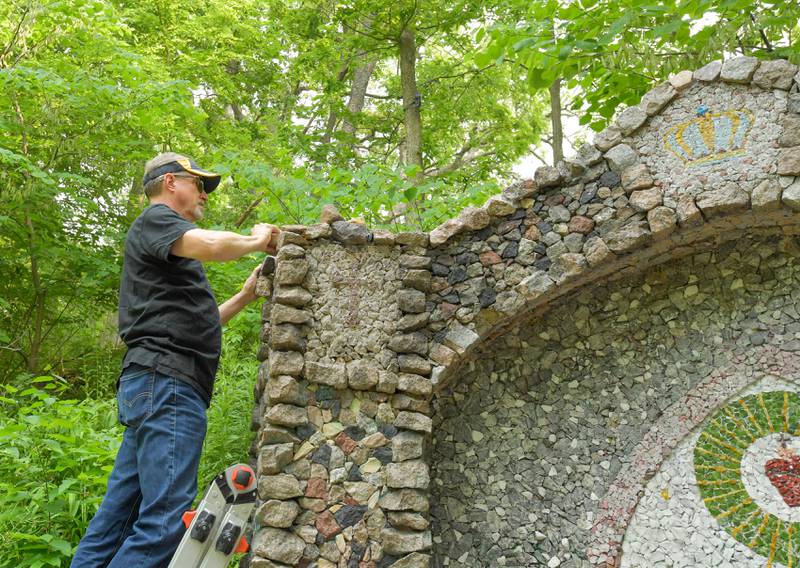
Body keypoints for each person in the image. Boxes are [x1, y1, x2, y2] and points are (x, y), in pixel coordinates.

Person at [71, 152, 279, 567]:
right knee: (165, 521)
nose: (203, 194)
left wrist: (244, 296)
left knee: (115, 521)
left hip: (153, 384)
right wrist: (257, 239)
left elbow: (196, 324)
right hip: (167, 385)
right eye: (198, 184)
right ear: (170, 182)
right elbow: (213, 244)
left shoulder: (163, 245)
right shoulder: (158, 221)